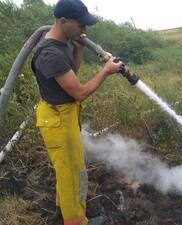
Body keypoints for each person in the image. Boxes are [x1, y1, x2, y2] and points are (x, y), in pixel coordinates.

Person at [31, 0, 123, 224]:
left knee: (67, 170)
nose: (85, 31)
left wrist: (79, 49)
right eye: (81, 26)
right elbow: (79, 92)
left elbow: (71, 74)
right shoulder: (49, 53)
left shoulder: (64, 44)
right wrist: (105, 72)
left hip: (63, 116)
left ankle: (62, 211)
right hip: (58, 120)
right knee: (72, 174)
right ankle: (76, 222)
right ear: (64, 22)